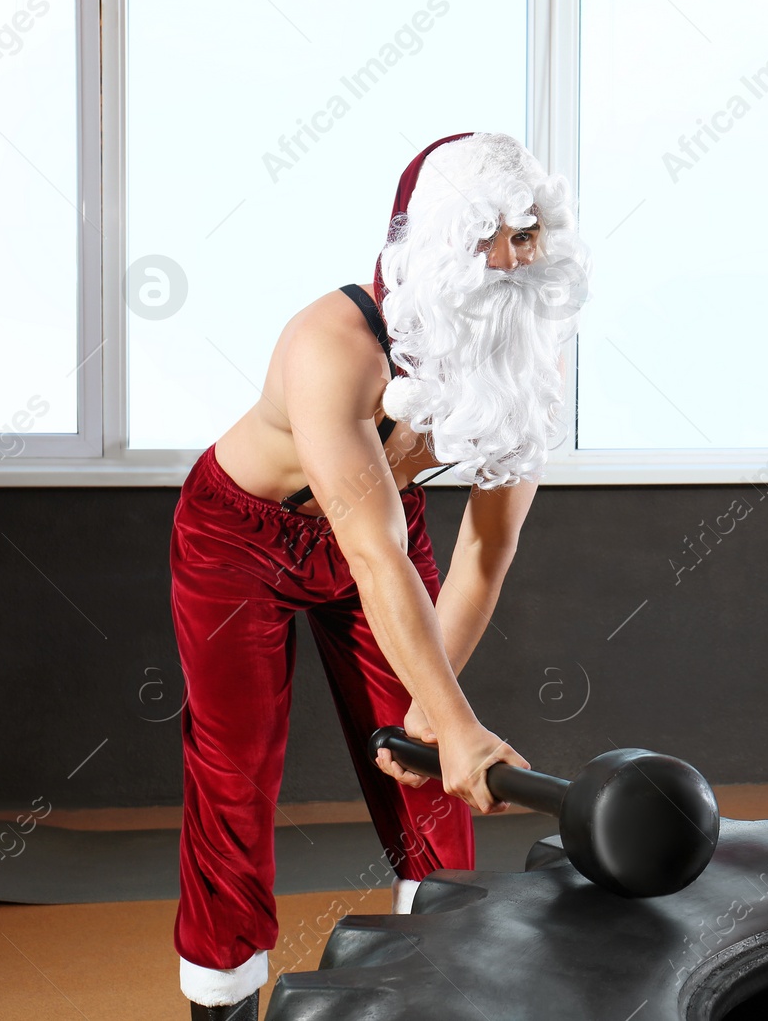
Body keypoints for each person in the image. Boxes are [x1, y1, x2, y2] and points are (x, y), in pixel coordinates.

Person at [167, 132, 590, 1020]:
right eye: (489, 237)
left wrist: (439, 720)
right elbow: (371, 553)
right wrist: (456, 718)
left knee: (430, 763)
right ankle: (224, 999)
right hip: (241, 540)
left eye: (526, 234)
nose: (511, 261)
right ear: (436, 239)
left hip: (384, 534)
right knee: (235, 773)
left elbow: (486, 548)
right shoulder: (336, 344)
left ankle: (443, 981)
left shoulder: (527, 355)